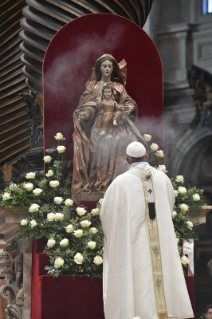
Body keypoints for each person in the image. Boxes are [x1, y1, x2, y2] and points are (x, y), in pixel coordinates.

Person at [100, 141, 194, 319]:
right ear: (147, 156)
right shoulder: (163, 179)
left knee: (138, 277)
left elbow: (107, 215)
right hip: (162, 242)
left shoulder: (120, 183)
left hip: (134, 244)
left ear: (126, 159)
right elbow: (169, 205)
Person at [72, 54, 147, 195]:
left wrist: (130, 107)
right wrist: (85, 114)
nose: (107, 69)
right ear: (100, 68)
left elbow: (127, 101)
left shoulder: (119, 87)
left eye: (109, 66)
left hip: (117, 124)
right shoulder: (94, 87)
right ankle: (101, 183)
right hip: (99, 124)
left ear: (113, 69)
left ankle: (119, 182)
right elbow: (89, 105)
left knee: (124, 138)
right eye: (104, 66)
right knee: (104, 142)